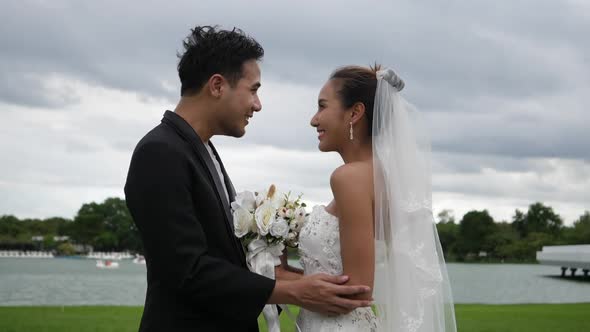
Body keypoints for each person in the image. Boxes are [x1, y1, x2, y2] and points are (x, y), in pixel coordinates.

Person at [123, 26, 372, 332]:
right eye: (253, 89)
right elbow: (186, 271)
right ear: (217, 86)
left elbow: (223, 259)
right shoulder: (160, 152)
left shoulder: (203, 150)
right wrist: (293, 291)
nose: (258, 104)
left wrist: (286, 276)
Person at [287, 65, 457, 331]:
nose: (313, 119)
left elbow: (357, 291)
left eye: (322, 106)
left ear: (355, 112)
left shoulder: (349, 178)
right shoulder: (384, 177)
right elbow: (343, 278)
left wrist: (277, 283)